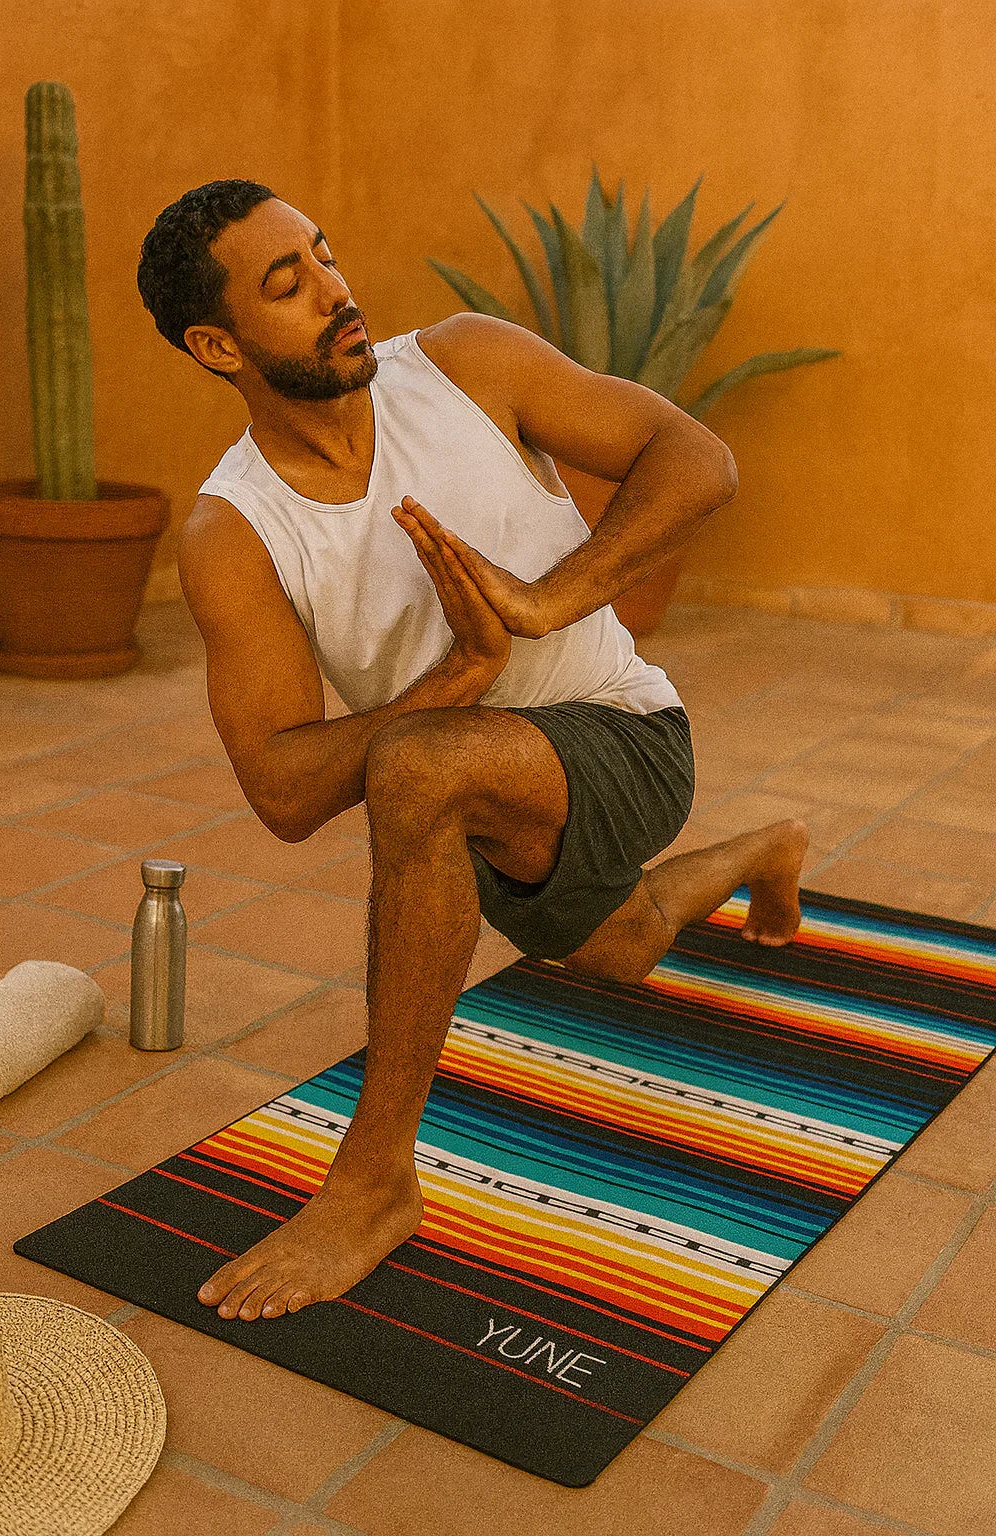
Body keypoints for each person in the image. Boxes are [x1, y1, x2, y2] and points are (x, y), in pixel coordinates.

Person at [136, 180, 810, 1325]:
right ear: (217, 343)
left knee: (419, 771)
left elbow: (694, 458)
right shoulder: (233, 530)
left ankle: (375, 1179)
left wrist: (550, 603)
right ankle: (764, 850)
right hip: (498, 784)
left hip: (623, 734)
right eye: (287, 285)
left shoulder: (463, 362)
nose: (336, 293)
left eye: (326, 256)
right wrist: (455, 677)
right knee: (614, 948)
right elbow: (284, 792)